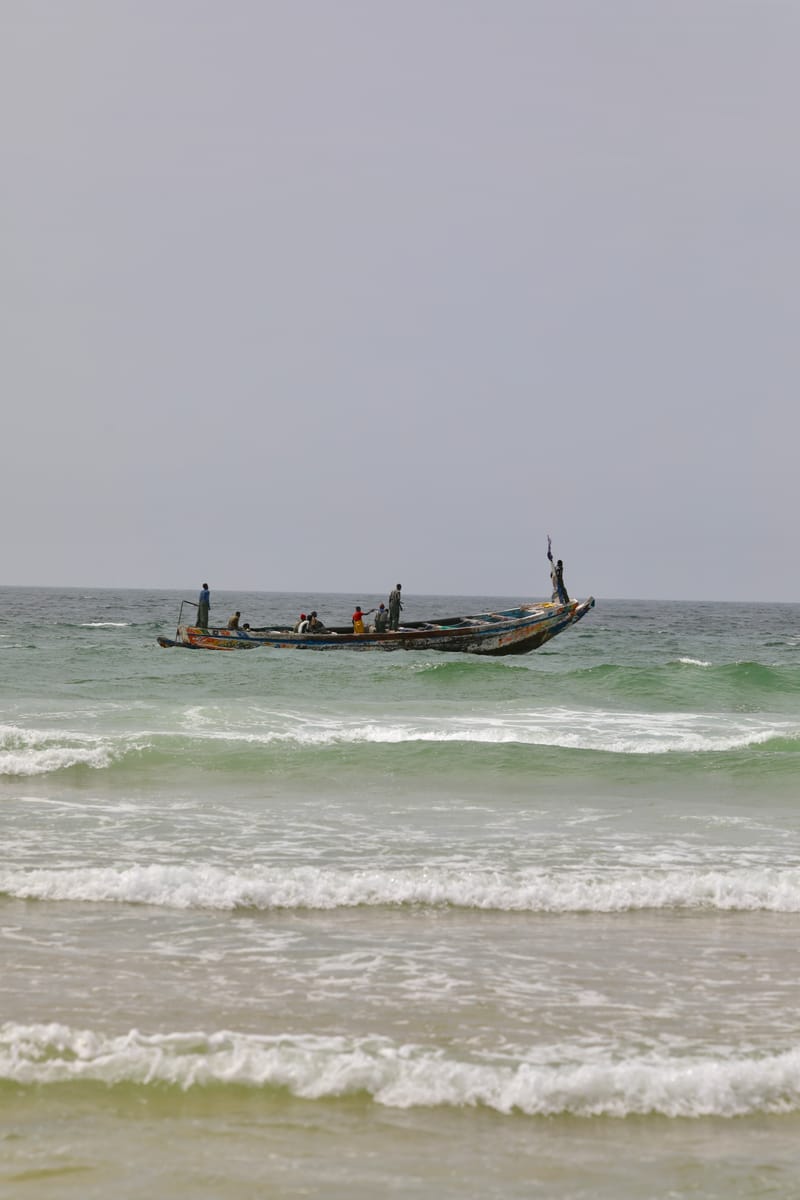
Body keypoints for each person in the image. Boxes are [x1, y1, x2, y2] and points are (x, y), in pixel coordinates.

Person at [547, 538, 570, 604]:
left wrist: (553, 577)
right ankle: (564, 603)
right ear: (561, 564)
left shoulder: (556, 567)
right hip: (559, 582)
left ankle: (559, 601)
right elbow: (557, 573)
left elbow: (551, 574)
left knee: (558, 591)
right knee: (562, 591)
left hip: (556, 582)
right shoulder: (560, 568)